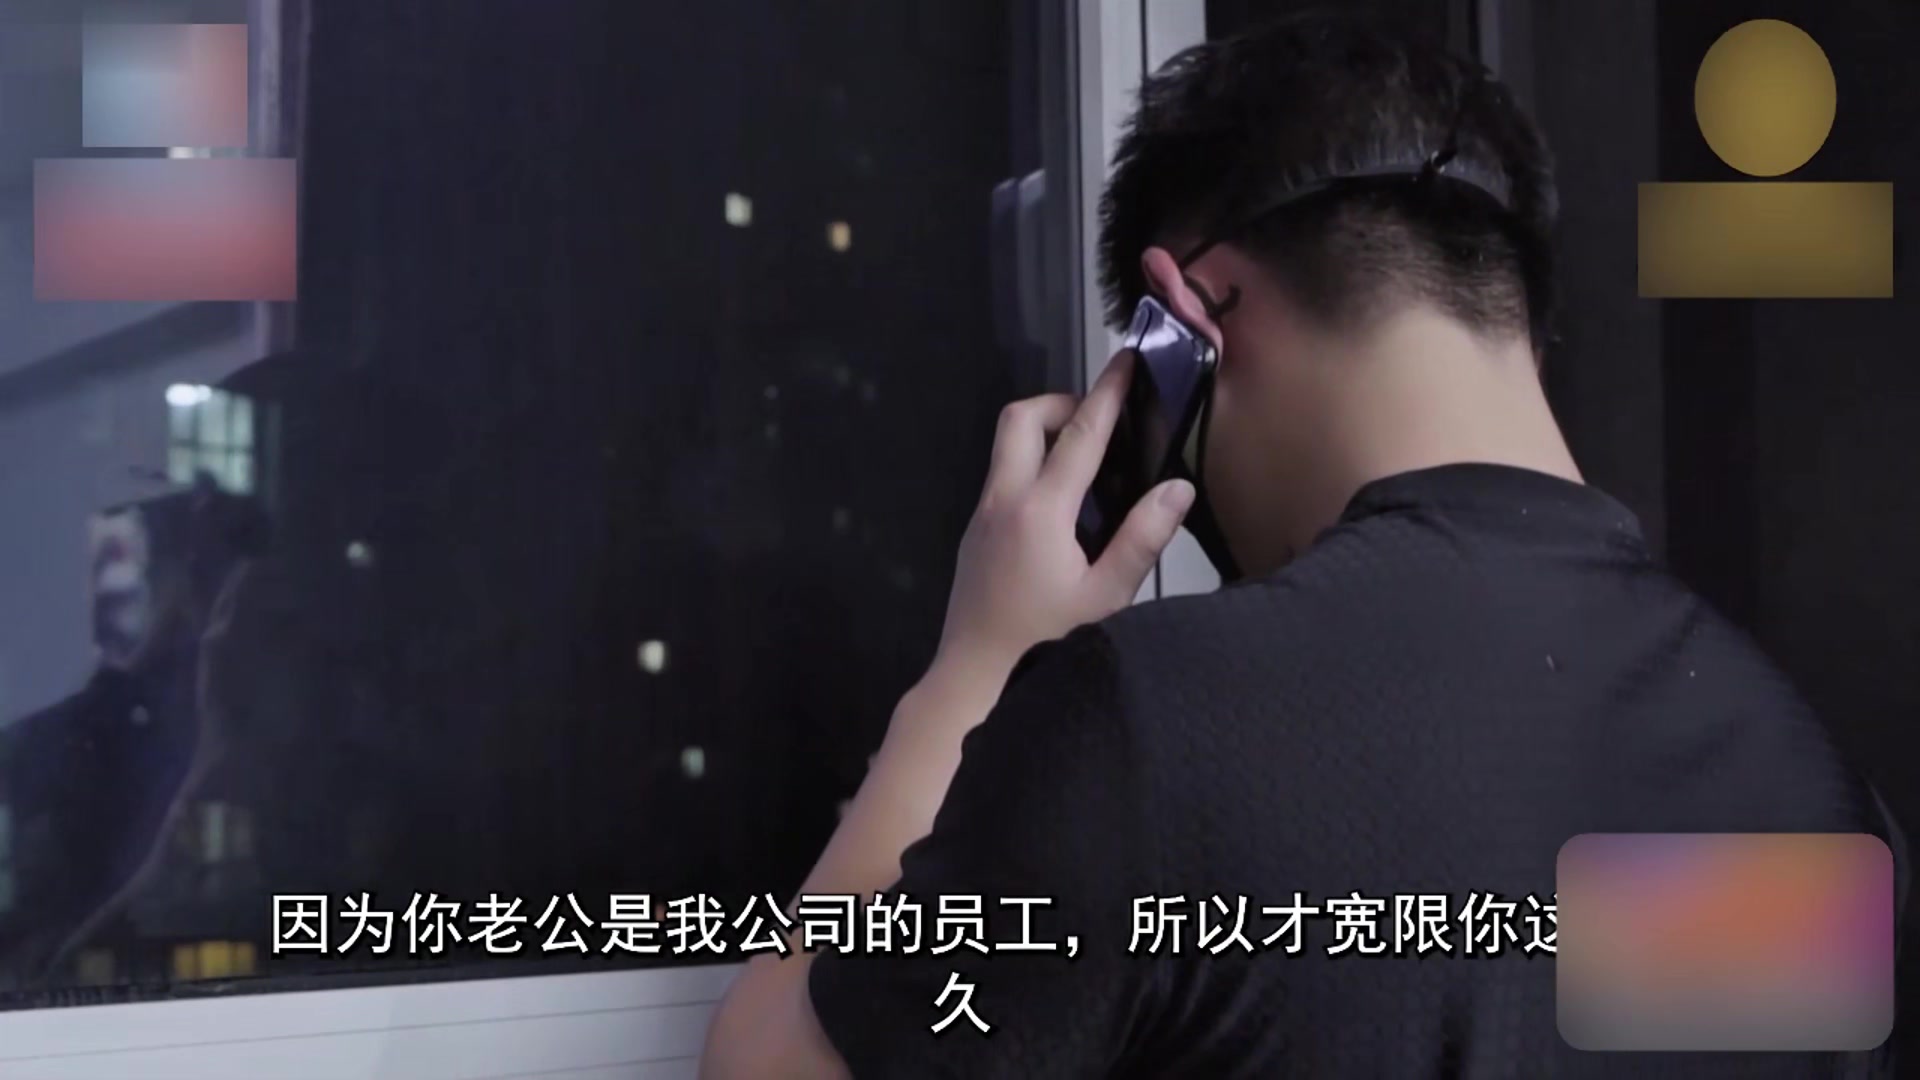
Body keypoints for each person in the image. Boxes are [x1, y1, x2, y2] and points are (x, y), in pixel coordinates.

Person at [702, 13, 1896, 1078]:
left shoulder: (1149, 727)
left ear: (1193, 313)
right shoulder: (1811, 785)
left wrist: (975, 668)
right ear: (1515, 312)